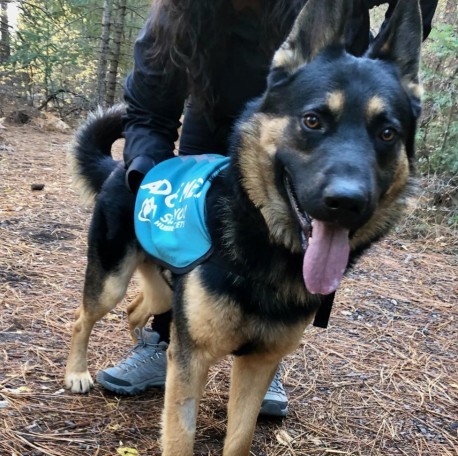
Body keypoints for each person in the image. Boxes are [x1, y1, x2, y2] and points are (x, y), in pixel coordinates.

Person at [96, 0, 438, 417]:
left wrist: (390, 64)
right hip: (216, 121)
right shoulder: (177, 14)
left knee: (315, 231)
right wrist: (147, 177)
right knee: (196, 258)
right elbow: (150, 109)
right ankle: (167, 339)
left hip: (329, 109)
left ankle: (264, 353)